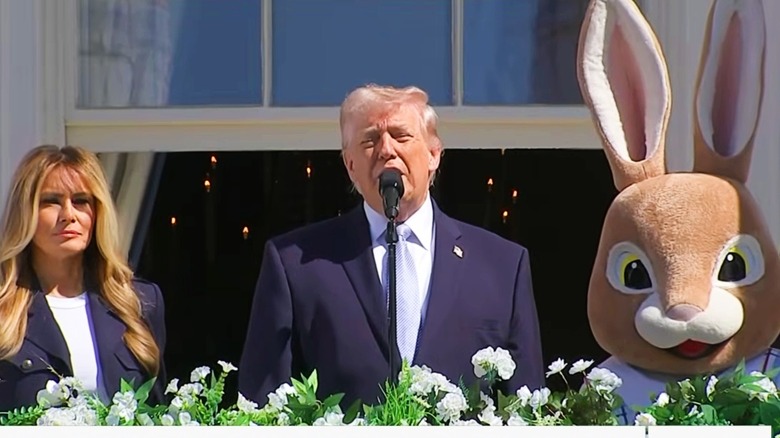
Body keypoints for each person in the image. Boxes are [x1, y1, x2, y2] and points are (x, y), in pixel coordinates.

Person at [238, 84, 544, 407]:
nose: (386, 149)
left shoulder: (501, 266)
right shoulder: (296, 265)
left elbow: (528, 409)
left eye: (401, 136)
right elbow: (263, 406)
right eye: (369, 140)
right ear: (350, 165)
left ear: (433, 154)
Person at [0, 145, 167, 411]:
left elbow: (158, 409)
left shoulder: (138, 303)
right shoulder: (4, 309)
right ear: (25, 212)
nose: (68, 215)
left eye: (81, 201)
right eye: (51, 201)